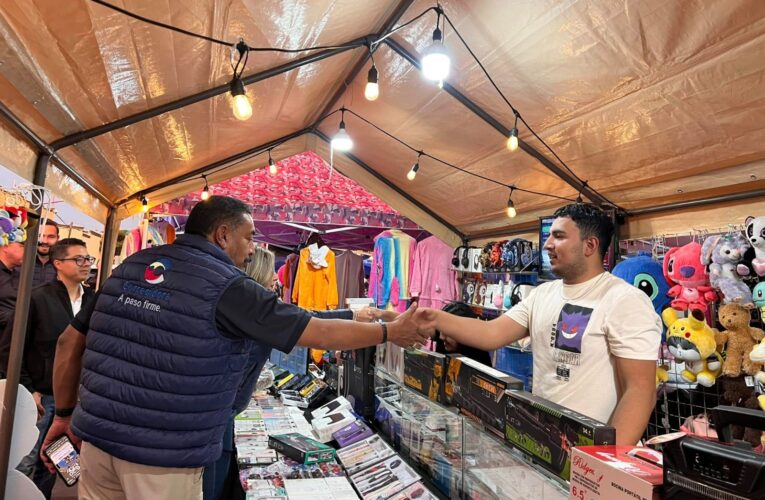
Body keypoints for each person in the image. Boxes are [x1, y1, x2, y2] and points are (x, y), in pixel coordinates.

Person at [40, 196, 429, 500]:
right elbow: (318, 333)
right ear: (222, 235)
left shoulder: (130, 267)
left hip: (95, 441)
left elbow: (69, 341)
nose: (251, 248)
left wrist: (64, 415)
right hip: (163, 458)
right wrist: (387, 333)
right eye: (248, 237)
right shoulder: (229, 286)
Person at [415, 203, 661, 445]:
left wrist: (605, 465)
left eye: (559, 236)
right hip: (545, 445)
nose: (547, 245)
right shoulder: (543, 294)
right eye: (549, 236)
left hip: (590, 454)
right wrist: (435, 318)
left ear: (590, 245)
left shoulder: (624, 300)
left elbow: (640, 392)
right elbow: (491, 333)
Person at [204, 246, 375, 500]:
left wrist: (353, 314)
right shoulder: (255, 314)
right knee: (212, 487)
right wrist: (382, 330)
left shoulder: (249, 313)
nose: (277, 278)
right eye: (271, 272)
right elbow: (313, 324)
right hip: (216, 420)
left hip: (219, 415)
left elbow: (308, 317)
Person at [0, 238, 95, 498]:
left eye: (88, 259)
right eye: (78, 259)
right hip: (41, 398)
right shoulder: (37, 297)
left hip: (75, 402)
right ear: (58, 264)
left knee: (65, 468)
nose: (85, 264)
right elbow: (10, 348)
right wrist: (28, 388)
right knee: (25, 462)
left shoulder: (92, 301)